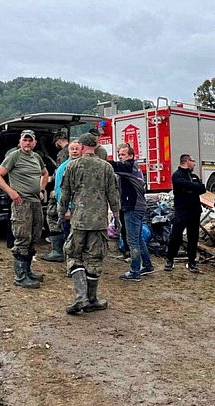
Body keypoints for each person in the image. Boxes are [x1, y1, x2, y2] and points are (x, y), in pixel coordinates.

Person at [58, 132, 121, 314]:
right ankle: (92, 299)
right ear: (95, 146)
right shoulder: (106, 167)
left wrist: (62, 213)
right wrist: (116, 216)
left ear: (83, 147)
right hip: (98, 221)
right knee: (95, 258)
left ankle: (81, 297)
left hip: (78, 219)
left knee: (74, 255)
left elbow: (65, 193)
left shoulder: (73, 166)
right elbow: (113, 194)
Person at [0, 130, 49, 289]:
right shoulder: (14, 156)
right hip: (21, 203)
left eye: (30, 141)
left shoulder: (36, 157)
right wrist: (11, 192)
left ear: (35, 143)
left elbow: (45, 174)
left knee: (35, 236)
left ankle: (28, 271)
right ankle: (20, 276)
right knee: (22, 238)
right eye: (25, 140)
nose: (28, 143)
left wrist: (41, 189)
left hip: (35, 203)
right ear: (20, 141)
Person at [110, 143, 154, 281]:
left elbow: (114, 166)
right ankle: (147, 265)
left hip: (133, 207)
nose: (120, 157)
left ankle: (135, 271)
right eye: (119, 155)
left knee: (132, 240)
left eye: (123, 155)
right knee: (139, 238)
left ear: (130, 156)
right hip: (138, 207)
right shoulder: (134, 168)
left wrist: (98, 159)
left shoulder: (129, 167)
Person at [165, 154, 206, 273]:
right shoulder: (177, 175)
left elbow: (202, 189)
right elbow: (182, 184)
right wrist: (194, 187)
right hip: (182, 211)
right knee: (175, 235)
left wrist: (191, 187)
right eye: (193, 161)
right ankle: (170, 259)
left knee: (193, 237)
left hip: (195, 211)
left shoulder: (193, 176)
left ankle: (192, 262)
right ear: (187, 161)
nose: (194, 163)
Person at [42, 140, 82, 262]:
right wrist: (66, 208)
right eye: (72, 149)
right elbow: (59, 189)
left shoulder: (85, 165)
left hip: (83, 209)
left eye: (77, 149)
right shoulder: (63, 168)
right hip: (69, 208)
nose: (74, 151)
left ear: (82, 150)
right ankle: (68, 260)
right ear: (68, 151)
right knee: (68, 235)